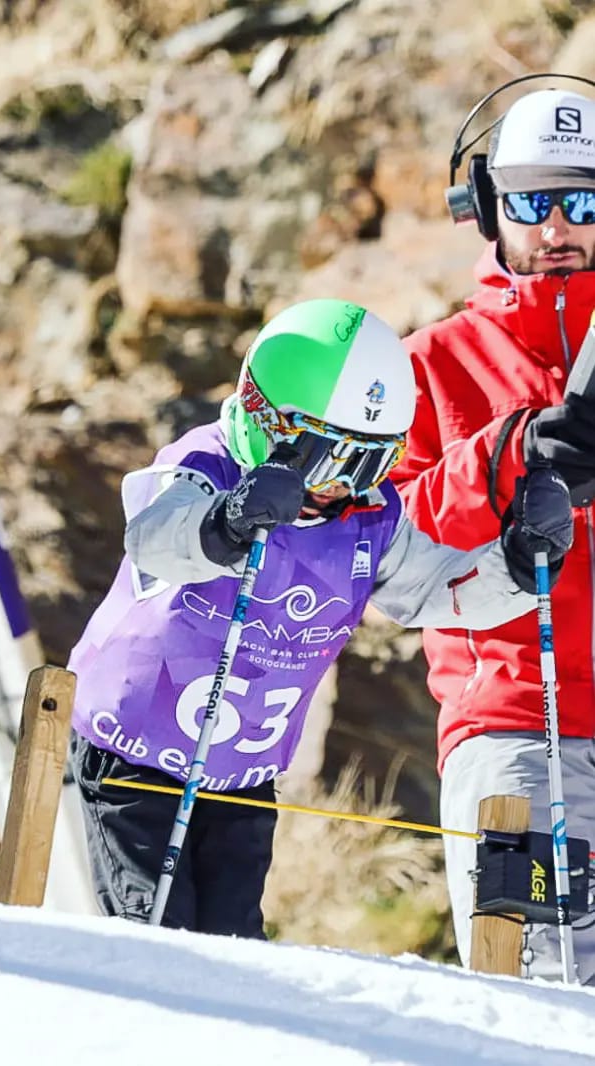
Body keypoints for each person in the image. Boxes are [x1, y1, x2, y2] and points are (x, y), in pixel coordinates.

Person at [67, 298, 574, 937]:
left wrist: (521, 563)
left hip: (242, 775)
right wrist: (227, 523)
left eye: (368, 463)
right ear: (266, 419)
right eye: (325, 458)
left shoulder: (367, 516)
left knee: (233, 945)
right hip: (133, 757)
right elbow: (156, 537)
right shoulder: (207, 463)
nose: (338, 484)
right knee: (158, 934)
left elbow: (436, 588)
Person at [393, 84, 595, 983]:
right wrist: (506, 458)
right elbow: (384, 553)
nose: (558, 228)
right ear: (484, 206)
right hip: (519, 726)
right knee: (546, 1003)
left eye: (583, 203)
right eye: (533, 202)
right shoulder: (426, 367)